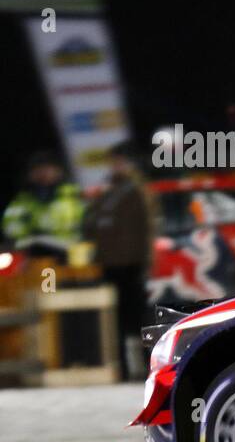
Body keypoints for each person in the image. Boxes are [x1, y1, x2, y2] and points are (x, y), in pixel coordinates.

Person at [83, 141, 155, 379]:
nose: (115, 166)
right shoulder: (107, 190)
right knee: (114, 322)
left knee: (139, 321)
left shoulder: (137, 190)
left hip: (132, 265)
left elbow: (148, 229)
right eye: (113, 161)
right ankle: (122, 370)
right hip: (109, 264)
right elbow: (89, 224)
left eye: (120, 161)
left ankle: (149, 367)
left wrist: (146, 264)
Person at [2, 150, 85, 260]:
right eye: (37, 170)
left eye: (48, 169)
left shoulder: (74, 195)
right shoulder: (21, 202)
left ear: (59, 171)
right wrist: (32, 234)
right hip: (33, 252)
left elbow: (88, 224)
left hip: (71, 251)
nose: (43, 173)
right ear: (29, 174)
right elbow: (11, 228)